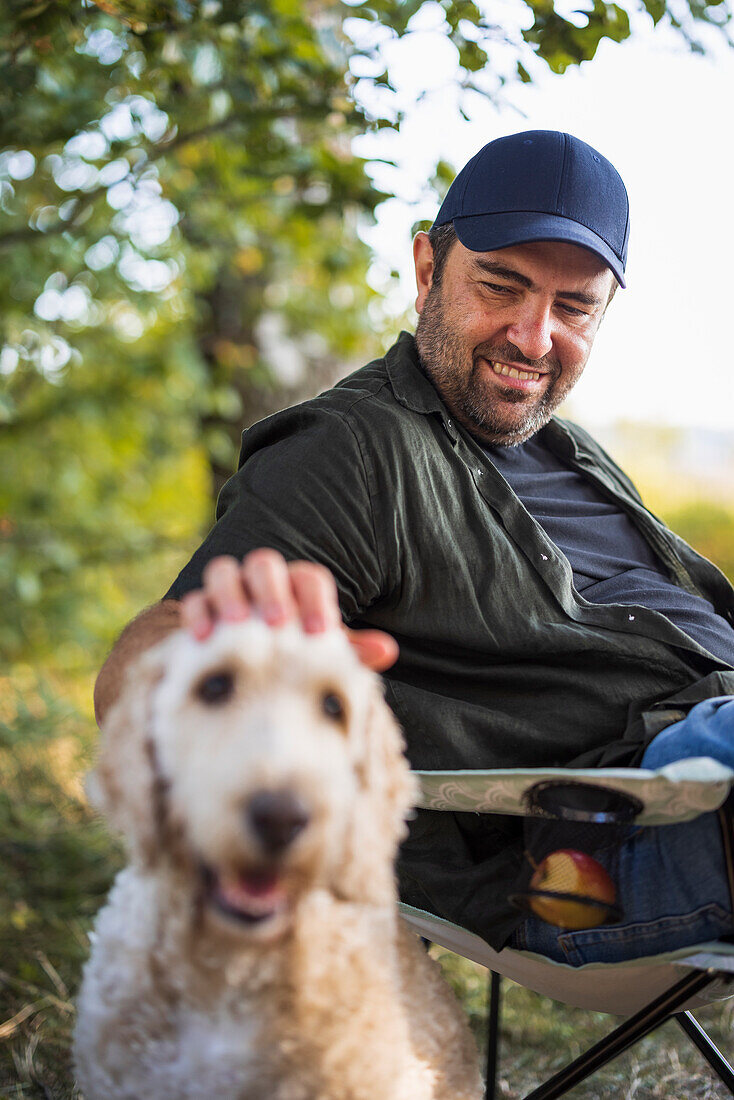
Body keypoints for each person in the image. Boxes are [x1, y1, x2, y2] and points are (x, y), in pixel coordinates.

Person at [95, 130, 734, 966]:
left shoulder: (576, 454)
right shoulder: (354, 451)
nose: (535, 337)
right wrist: (203, 669)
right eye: (501, 285)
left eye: (574, 308)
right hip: (623, 831)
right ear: (429, 270)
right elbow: (156, 660)